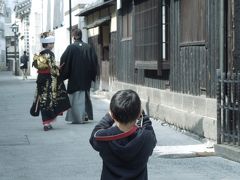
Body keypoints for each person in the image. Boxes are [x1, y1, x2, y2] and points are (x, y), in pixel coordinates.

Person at [89, 89, 157, 180]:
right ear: (138, 114)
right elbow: (148, 127)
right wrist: (143, 115)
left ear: (113, 115)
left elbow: (95, 133)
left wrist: (108, 117)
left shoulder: (103, 137)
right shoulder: (146, 137)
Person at [31, 32, 71, 131]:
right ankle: (47, 123)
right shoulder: (50, 54)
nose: (53, 45)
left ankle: (46, 122)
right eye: (51, 43)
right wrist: (58, 68)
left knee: (43, 100)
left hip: (40, 79)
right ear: (48, 44)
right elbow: (53, 69)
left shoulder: (41, 54)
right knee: (49, 100)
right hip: (48, 80)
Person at [60, 28, 99, 124]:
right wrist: (92, 75)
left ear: (74, 37)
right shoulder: (88, 47)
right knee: (85, 97)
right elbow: (94, 62)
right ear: (81, 36)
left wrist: (63, 74)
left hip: (75, 77)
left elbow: (63, 60)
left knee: (76, 98)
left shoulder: (71, 48)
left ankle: (78, 117)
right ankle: (85, 115)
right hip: (86, 78)